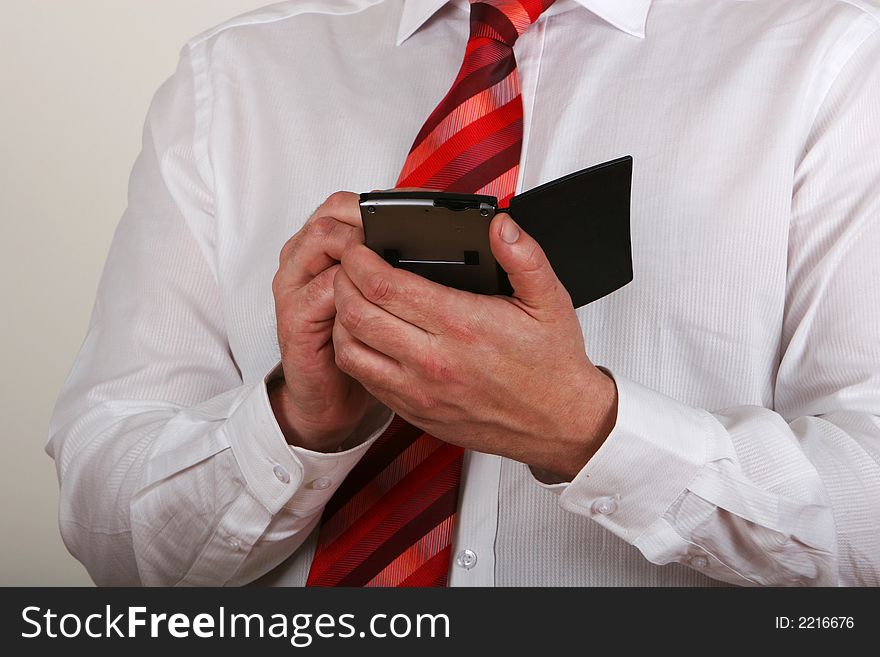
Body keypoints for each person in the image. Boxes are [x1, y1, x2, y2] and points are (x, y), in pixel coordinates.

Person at [47, 0, 880, 587]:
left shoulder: (835, 66)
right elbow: (108, 529)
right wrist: (296, 426)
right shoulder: (229, 79)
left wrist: (588, 430)